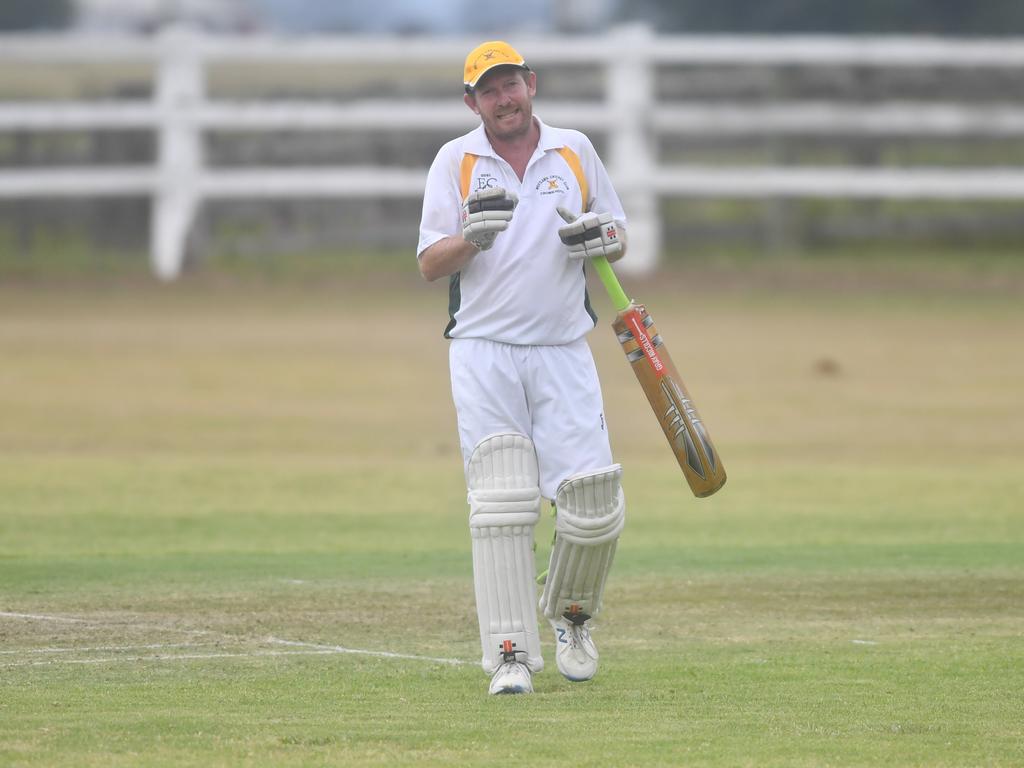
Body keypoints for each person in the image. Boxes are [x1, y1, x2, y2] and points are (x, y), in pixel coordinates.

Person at [416, 41, 628, 695]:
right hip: (483, 350)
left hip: (565, 347)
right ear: (470, 102)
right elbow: (429, 262)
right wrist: (471, 240)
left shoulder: (574, 150)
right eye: (489, 90)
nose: (503, 99)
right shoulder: (455, 161)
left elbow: (617, 234)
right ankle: (509, 655)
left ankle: (573, 616)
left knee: (592, 500)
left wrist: (602, 240)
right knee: (502, 504)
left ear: (531, 85)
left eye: (512, 85)